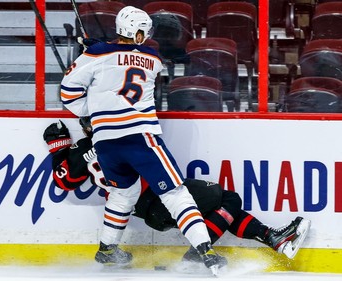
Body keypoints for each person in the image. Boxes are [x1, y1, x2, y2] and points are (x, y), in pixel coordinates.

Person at [59, 5, 225, 276]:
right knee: (175, 192)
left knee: (123, 193)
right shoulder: (153, 59)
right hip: (140, 137)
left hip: (106, 142)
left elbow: (68, 93)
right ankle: (206, 252)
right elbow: (131, 57)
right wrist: (100, 49)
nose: (146, 36)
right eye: (143, 31)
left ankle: (107, 249)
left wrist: (90, 113)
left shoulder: (96, 55)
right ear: (136, 33)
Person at [43, 119, 311, 268]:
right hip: (162, 197)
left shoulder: (80, 152)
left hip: (146, 210)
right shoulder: (124, 136)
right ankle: (199, 254)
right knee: (228, 198)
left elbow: (63, 181)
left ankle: (274, 239)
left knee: (223, 207)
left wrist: (59, 148)